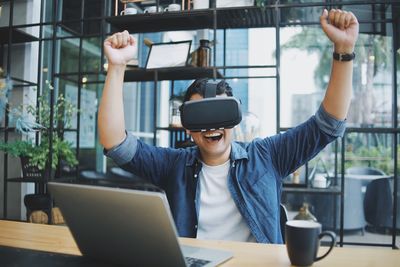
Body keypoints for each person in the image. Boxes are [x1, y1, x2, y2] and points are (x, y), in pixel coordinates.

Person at [98, 9, 359, 244]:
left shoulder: (267, 156)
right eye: (201, 117)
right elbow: (116, 143)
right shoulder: (173, 166)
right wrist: (117, 65)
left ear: (235, 118)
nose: (212, 126)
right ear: (187, 126)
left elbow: (328, 125)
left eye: (220, 114)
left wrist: (344, 50)